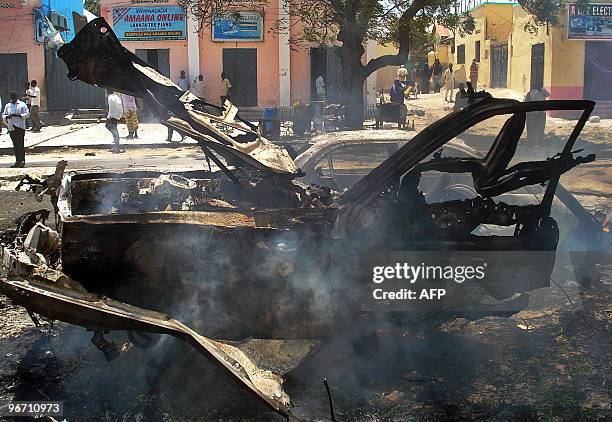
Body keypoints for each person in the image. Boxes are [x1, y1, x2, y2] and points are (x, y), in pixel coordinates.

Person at [2, 90, 29, 167]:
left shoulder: (22, 104)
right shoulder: (8, 105)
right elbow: (4, 115)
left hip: (20, 127)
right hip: (11, 127)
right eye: (11, 96)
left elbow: (27, 114)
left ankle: (22, 161)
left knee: (20, 144)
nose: (13, 97)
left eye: (14, 96)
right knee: (15, 145)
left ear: (16, 96)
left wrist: (19, 115)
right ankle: (17, 161)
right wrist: (7, 117)